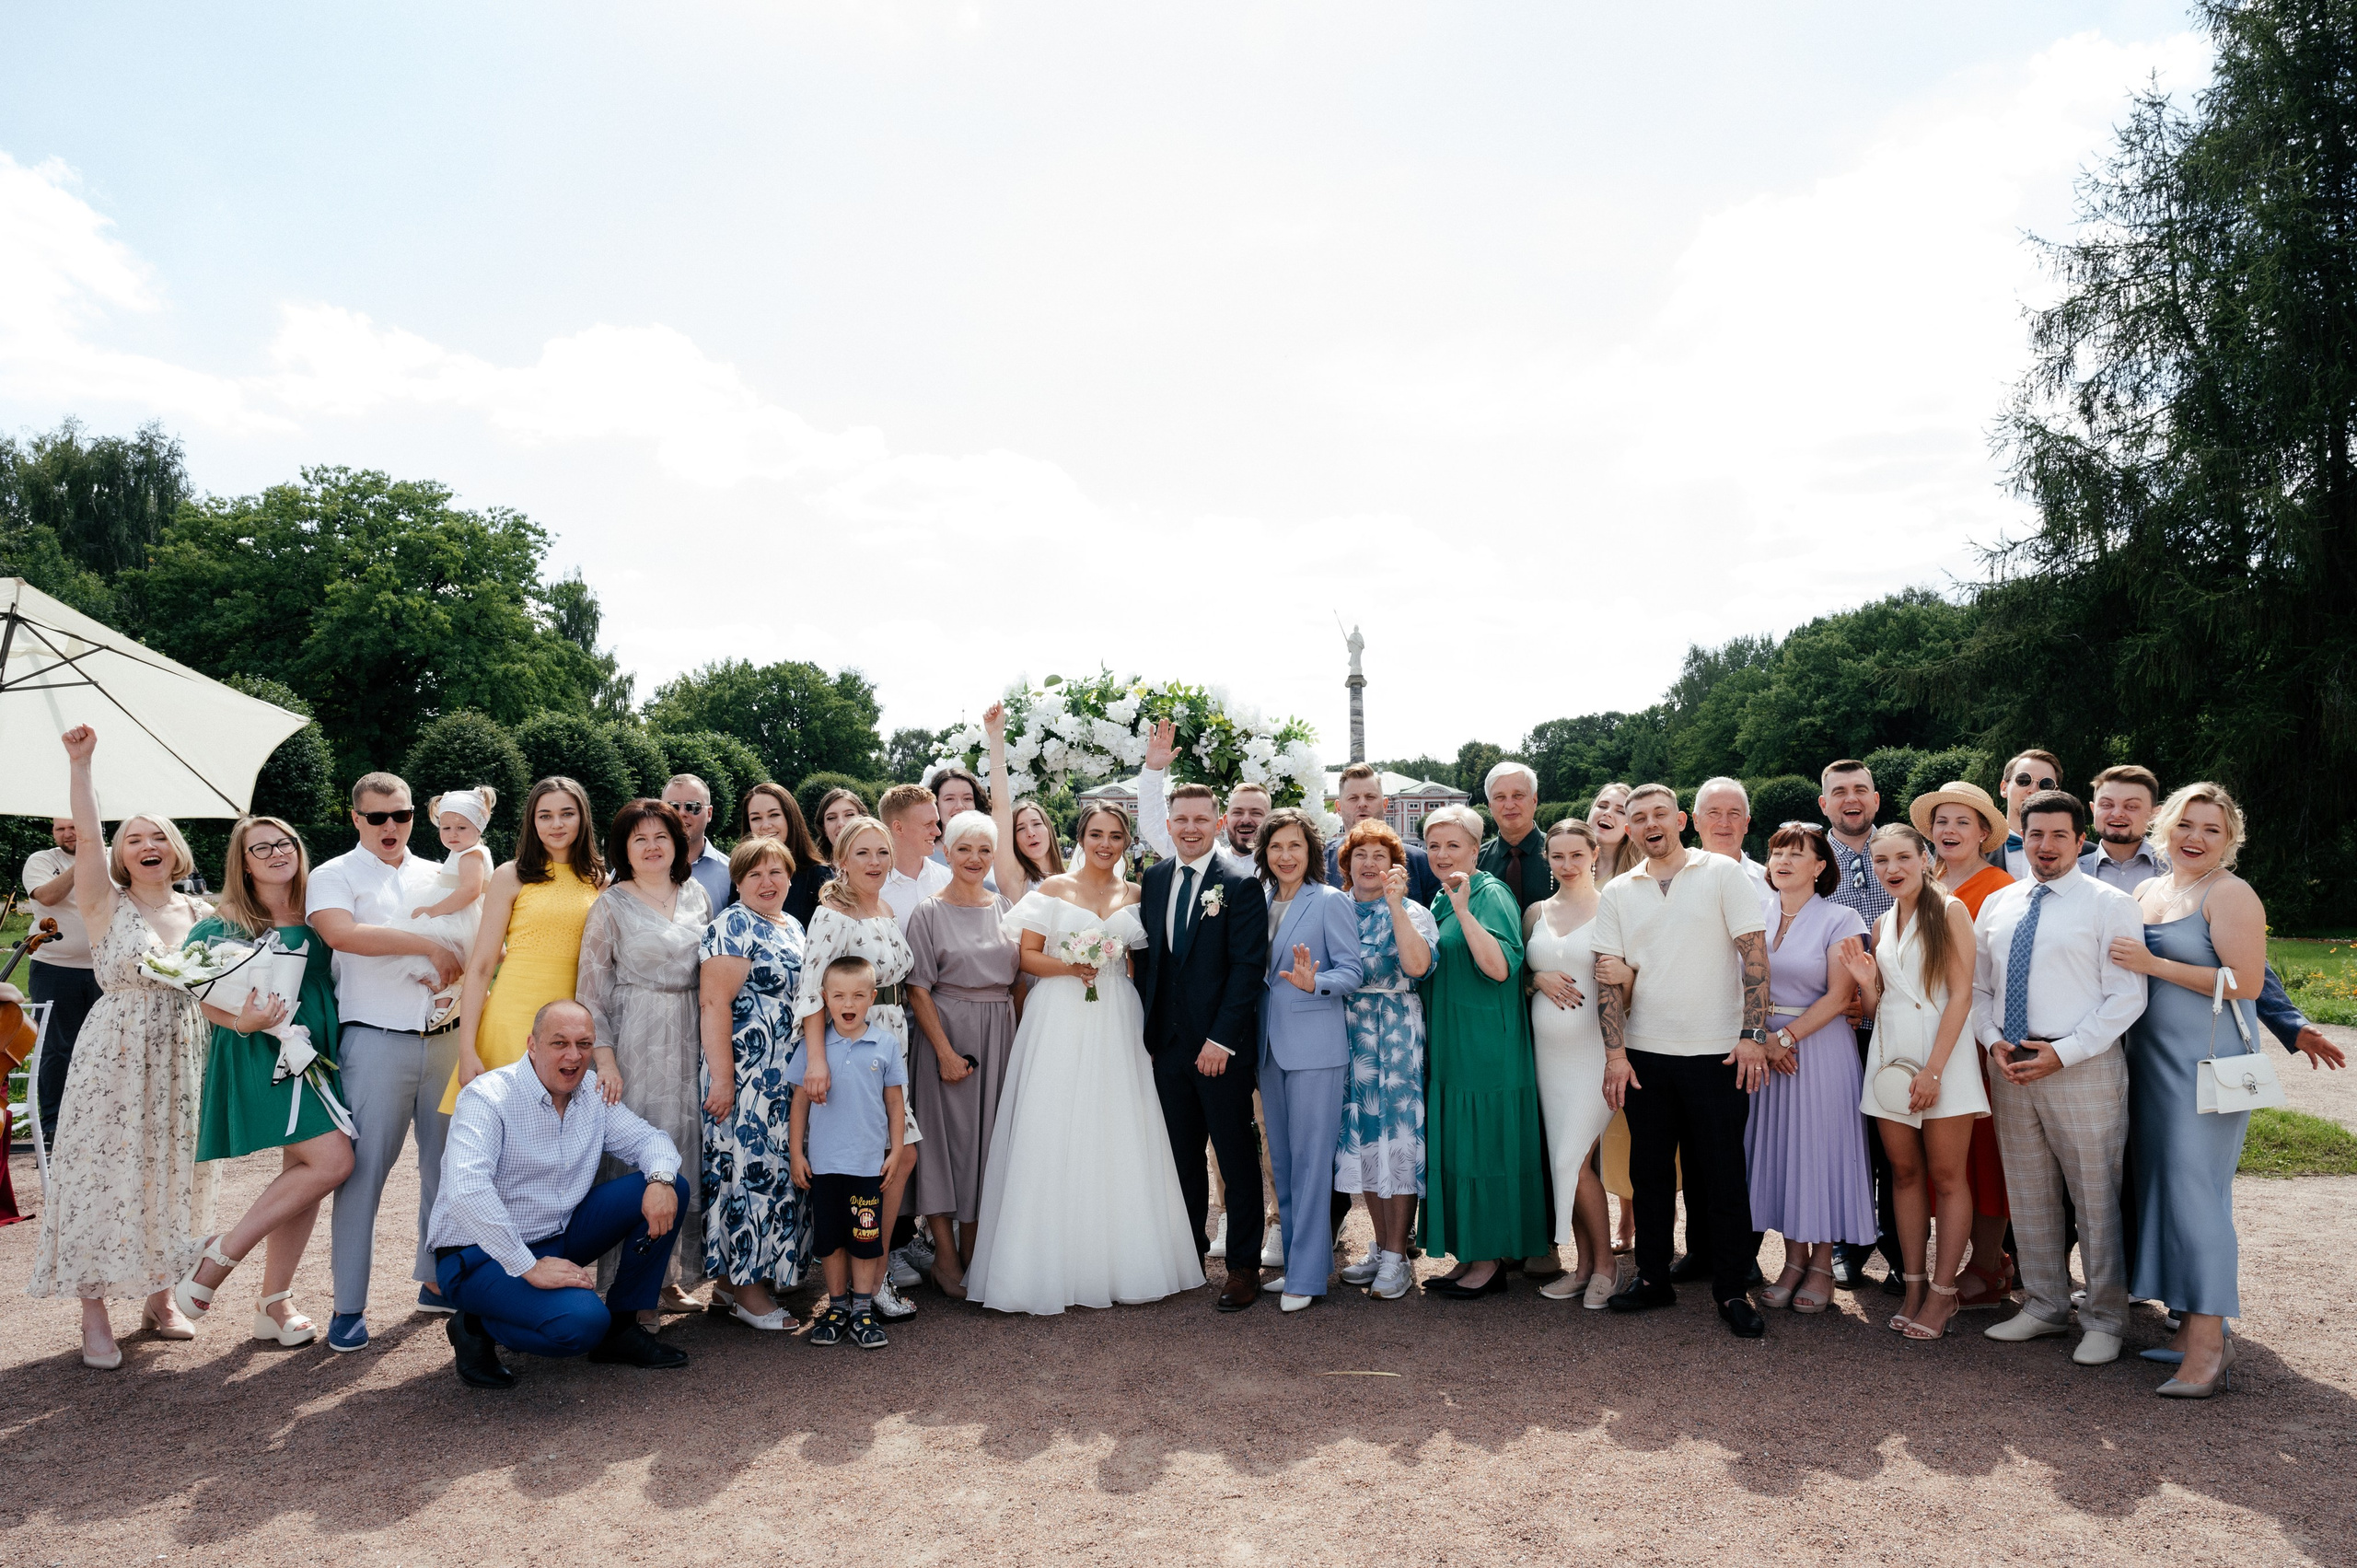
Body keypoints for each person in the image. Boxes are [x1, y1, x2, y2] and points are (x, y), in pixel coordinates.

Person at [965, 801, 1208, 1313]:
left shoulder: (1139, 895)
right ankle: (1045, 1264)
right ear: (1081, 837)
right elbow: (1026, 956)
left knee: (1118, 1124)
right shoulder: (1053, 889)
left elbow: (1148, 963)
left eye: (1115, 836)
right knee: (1054, 1123)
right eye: (1096, 833)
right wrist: (1069, 965)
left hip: (1116, 1011)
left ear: (1125, 843)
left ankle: (1124, 1259)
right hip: (1059, 1011)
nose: (1105, 843)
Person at [29, 726, 215, 1369]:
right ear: (120, 853)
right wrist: (81, 766)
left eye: (157, 834)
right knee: (101, 1176)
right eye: (133, 837)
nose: (146, 844)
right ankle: (93, 1309)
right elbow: (84, 834)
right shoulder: (104, 900)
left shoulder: (201, 914)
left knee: (172, 1171)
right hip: (114, 1052)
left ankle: (161, 1298)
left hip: (184, 1054)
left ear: (177, 847)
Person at [2108, 783, 2294, 1397]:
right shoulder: (2149, 889)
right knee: (2164, 1190)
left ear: (2230, 838)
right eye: (2187, 824)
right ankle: (2189, 1329)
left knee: (2198, 1197)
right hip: (2151, 1062)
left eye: (2212, 829)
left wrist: (2153, 964)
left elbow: (2243, 982)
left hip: (2206, 1065)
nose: (2195, 837)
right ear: (2167, 827)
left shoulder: (2231, 892)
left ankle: (2211, 1346)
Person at [427, 999, 690, 1388]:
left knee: (671, 1188)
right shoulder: (488, 1097)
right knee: (581, 1325)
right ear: (532, 1045)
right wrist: (527, 1265)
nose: (574, 1056)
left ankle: (622, 1329)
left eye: (584, 1044)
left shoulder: (590, 1093)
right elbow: (467, 1190)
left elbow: (649, 1140)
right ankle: (474, 1325)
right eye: (559, 1043)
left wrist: (662, 1179)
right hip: (479, 1255)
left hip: (555, 1235)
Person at [1971, 789, 2147, 1366]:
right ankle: (2045, 1305)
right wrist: (1993, 1040)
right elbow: (1979, 989)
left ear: (2080, 840)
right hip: (2012, 1063)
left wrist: (2063, 1053)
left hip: (2083, 1066)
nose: (2046, 847)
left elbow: (2127, 997)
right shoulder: (2000, 903)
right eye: (2036, 836)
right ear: (2023, 839)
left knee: (2095, 1195)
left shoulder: (2107, 904)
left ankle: (2104, 1317)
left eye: (2059, 836)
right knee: (2029, 1191)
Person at [1594, 783, 1773, 1339]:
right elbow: (1607, 973)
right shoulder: (1619, 892)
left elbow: (1755, 955)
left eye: (1660, 814)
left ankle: (1730, 1290)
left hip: (1719, 1054)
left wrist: (1752, 1034)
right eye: (1639, 817)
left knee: (1721, 1175)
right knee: (1649, 1175)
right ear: (1629, 828)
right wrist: (1616, 1053)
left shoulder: (1722, 874)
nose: (1651, 823)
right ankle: (1652, 1278)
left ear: (1681, 820)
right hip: (1646, 1054)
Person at [174, 817, 356, 1349]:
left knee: (305, 1172)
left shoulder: (323, 909)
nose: (277, 853)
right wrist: (243, 1022)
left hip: (320, 1043)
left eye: (285, 843)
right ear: (244, 862)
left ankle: (274, 1303)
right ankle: (221, 1254)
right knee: (332, 1161)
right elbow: (200, 994)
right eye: (262, 848)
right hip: (261, 1047)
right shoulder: (225, 922)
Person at [308, 770, 470, 1353]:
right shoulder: (332, 873)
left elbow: (477, 932)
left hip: (447, 1036)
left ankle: (434, 1279)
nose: (391, 827)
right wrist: (427, 945)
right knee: (364, 1173)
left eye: (401, 815)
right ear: (356, 819)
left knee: (449, 1168)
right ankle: (348, 1305)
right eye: (378, 817)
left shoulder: (442, 871)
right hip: (375, 1039)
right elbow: (342, 935)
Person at [2074, 765, 2340, 1071]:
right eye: (2108, 804)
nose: (2117, 813)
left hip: (2202, 1049)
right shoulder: (2077, 875)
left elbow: (2248, 971)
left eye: (2132, 806)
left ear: (2154, 815)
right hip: (2125, 1046)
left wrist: (2289, 1023)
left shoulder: (2206, 878)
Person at [1838, 824, 1985, 1341]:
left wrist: (1934, 1071)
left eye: (1903, 857)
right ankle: (1914, 1286)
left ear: (1924, 859)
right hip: (1889, 1061)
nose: (1892, 869)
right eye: (1881, 861)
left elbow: (1961, 998)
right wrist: (1863, 983)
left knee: (1947, 1178)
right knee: (1902, 1174)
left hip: (1941, 1061)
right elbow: (1881, 1008)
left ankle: (1944, 1295)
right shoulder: (1880, 923)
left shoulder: (1950, 911)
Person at [1132, 781, 1271, 1310]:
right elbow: (1151, 961)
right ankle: (1187, 1257)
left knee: (1236, 1157)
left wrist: (1221, 1040)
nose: (1190, 828)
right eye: (1180, 819)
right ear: (1168, 825)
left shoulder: (1239, 884)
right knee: (1180, 1158)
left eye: (1200, 819)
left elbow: (1246, 969)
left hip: (1221, 1051)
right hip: (1166, 1048)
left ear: (1217, 824)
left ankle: (1242, 1269)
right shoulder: (1156, 876)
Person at [576, 799, 713, 1323]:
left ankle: (670, 1276)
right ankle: (629, 1286)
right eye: (640, 839)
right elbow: (592, 993)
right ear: (623, 849)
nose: (653, 846)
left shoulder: (697, 894)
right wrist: (604, 1062)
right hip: (636, 1035)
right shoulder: (610, 905)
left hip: (693, 1032)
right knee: (637, 1155)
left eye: (662, 836)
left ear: (678, 843)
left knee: (685, 1149)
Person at [792, 816, 923, 1321]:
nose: (875, 863)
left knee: (896, 1155)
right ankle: (871, 1277)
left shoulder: (886, 908)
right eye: (862, 853)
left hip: (890, 1040)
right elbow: (810, 990)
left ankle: (870, 1276)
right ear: (841, 861)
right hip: (849, 1047)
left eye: (882, 853)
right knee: (893, 1156)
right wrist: (818, 1060)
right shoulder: (832, 914)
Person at [1741, 823, 1874, 1317]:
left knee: (1818, 1152)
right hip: (1765, 1052)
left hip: (1816, 1051)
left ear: (1820, 867)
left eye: (1797, 854)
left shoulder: (1842, 917)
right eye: (1777, 852)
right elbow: (1741, 985)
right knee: (1780, 1153)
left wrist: (1785, 1039)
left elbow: (1843, 996)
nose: (1783, 861)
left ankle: (1821, 1265)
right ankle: (1790, 1263)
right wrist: (1762, 1040)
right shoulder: (1755, 913)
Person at [1417, 804, 1549, 1299]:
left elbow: (1498, 967)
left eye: (1454, 845)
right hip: (1453, 1036)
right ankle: (1471, 1252)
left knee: (1485, 1143)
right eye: (1434, 845)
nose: (1443, 853)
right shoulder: (1440, 896)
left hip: (1486, 1043)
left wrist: (1467, 912)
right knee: (1459, 1143)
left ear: (1477, 850)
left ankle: (1489, 1261)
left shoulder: (1487, 893)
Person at [1909, 779, 2018, 1310]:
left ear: (1982, 833)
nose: (1949, 830)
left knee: (1984, 1155)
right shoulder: (1921, 882)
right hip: (1926, 1038)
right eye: (1942, 822)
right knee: (1944, 1159)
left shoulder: (1999, 886)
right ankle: (1955, 1263)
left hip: (1975, 1036)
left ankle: (1989, 1262)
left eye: (1962, 822)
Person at [904, 810, 1021, 1297]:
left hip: (1000, 1035)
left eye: (984, 850)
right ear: (945, 852)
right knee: (943, 1145)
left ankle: (976, 1252)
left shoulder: (1007, 907)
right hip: (945, 1036)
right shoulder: (927, 912)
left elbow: (1019, 981)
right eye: (964, 848)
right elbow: (917, 989)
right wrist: (946, 1053)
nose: (975, 858)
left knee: (988, 1145)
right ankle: (946, 1259)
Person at [1251, 807, 1363, 1312]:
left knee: (1312, 1163)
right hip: (1268, 1047)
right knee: (1285, 1162)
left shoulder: (1331, 901)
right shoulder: (1263, 900)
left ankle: (1308, 1277)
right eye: (1276, 847)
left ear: (1310, 851)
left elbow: (1352, 972)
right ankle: (1304, 1264)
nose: (1285, 855)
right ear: (1265, 853)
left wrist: (1312, 982)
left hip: (1316, 1049)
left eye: (1294, 846)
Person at [698, 835, 809, 1330]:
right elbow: (713, 1003)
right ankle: (748, 1291)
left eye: (776, 872)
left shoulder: (793, 925)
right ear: (738, 882)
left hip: (784, 1074)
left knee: (777, 1171)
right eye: (754, 874)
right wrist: (723, 1079)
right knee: (746, 1172)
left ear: (790, 877)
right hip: (746, 1075)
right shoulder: (732, 925)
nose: (767, 882)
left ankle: (730, 1284)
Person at [444, 776, 605, 1113]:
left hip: (572, 1029)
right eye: (544, 815)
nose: (556, 824)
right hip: (509, 1022)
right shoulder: (511, 875)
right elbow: (482, 967)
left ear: (583, 818)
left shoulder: (600, 880)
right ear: (532, 821)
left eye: (567, 814)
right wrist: (466, 1049)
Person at [1331, 819, 1435, 1302]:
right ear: (1346, 866)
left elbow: (1416, 967)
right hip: (1348, 1033)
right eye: (1360, 856)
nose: (1369, 864)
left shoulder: (1415, 911)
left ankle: (1397, 1256)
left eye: (1380, 856)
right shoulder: (1335, 910)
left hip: (1395, 1031)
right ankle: (1381, 1245)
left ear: (1396, 867)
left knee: (1398, 1140)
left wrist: (1394, 907)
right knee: (1365, 1141)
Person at [788, 957, 908, 1348]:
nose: (848, 1002)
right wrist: (796, 1153)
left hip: (866, 1166)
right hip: (824, 1167)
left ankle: (861, 1309)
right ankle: (837, 1306)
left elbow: (895, 1105)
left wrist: (895, 1151)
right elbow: (800, 1103)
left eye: (858, 994)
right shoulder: (814, 1046)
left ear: (872, 998)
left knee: (864, 1238)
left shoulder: (886, 1044)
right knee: (831, 1241)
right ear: (825, 998)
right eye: (838, 995)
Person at [1522, 819, 1618, 1307]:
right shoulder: (1536, 911)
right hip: (1547, 1059)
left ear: (1594, 854)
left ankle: (1606, 1267)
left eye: (1576, 855)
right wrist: (1537, 981)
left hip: (1594, 1054)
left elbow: (1631, 981)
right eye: (1557, 856)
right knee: (1566, 1164)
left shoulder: (1614, 907)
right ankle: (1583, 1266)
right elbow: (1519, 974)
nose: (1566, 864)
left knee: (1571, 1160)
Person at [1817, 760, 1898, 1290]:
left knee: (1893, 1146)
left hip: (1895, 1024)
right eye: (1839, 791)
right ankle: (1849, 1244)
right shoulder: (1808, 858)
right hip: (1833, 1028)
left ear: (1874, 799)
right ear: (1824, 804)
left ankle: (1897, 1249)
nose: (1851, 799)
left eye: (1861, 790)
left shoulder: (1904, 853)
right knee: (1844, 1143)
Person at [21, 815, 101, 1150]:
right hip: (55, 968)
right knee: (56, 1049)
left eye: (75, 826)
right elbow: (48, 897)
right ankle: (54, 1123)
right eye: (61, 828)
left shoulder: (111, 857)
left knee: (103, 1048)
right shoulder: (42, 860)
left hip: (105, 969)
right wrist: (85, 856)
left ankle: (99, 1120)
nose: (69, 833)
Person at [395, 786, 496, 1028]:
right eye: (446, 828)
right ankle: (454, 992)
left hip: (461, 913)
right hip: (459, 910)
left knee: (426, 941)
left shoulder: (471, 855)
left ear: (478, 827)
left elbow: (470, 890)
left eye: (461, 828)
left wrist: (434, 910)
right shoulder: (463, 853)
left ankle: (446, 992)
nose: (453, 834)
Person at [1135, 722, 1271, 861]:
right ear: (1224, 822)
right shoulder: (1205, 858)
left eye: (1256, 813)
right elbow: (1156, 828)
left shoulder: (1284, 864)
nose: (1246, 819)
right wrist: (1153, 769)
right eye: (1237, 812)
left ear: (1270, 821)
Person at [981, 701, 1066, 903]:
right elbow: (1001, 807)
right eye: (1020, 828)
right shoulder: (1016, 879)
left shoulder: (1072, 879)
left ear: (1049, 830)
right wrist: (996, 736)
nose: (1030, 832)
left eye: (1036, 824)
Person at [1324, 762, 1441, 904]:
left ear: (1385, 805)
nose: (1362, 804)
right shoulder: (1320, 861)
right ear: (1339, 807)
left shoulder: (1420, 862)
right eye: (1353, 798)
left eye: (1370, 797)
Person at [741, 782, 833, 930]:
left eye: (774, 815)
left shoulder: (819, 876)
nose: (765, 825)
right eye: (756, 818)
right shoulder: (741, 875)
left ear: (790, 818)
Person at [1477, 761, 1555, 911]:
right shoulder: (1477, 862)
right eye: (1500, 797)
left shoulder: (1560, 855)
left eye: (1518, 795)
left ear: (1534, 800)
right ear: (1490, 805)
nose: (1509, 805)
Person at [877, 784, 952, 928]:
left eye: (936, 823)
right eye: (928, 824)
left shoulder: (949, 880)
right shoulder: (874, 890)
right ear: (899, 828)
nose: (937, 832)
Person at [663, 773, 733, 918]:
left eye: (692, 807)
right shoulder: (633, 869)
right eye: (672, 807)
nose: (681, 813)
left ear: (709, 813)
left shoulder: (732, 873)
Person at [1993, 750, 2064, 877]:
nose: (2033, 790)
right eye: (2024, 780)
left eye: (2046, 784)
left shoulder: (2085, 854)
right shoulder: (1977, 851)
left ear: (2056, 793)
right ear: (2004, 788)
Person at [1691, 777, 1767, 889]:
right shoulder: (1675, 882)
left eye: (1734, 813)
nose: (1724, 823)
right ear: (1696, 821)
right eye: (1714, 813)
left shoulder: (1772, 886)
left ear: (1746, 823)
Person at [1588, 784, 1642, 886]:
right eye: (1602, 806)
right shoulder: (1565, 863)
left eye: (1621, 812)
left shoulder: (1640, 876)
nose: (1607, 813)